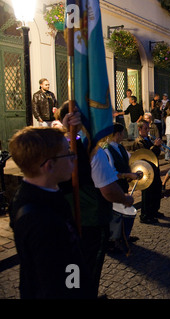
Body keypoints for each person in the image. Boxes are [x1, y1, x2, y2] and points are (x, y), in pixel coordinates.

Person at [9, 126, 96, 299]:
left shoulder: (45, 189)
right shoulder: (40, 221)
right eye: (68, 153)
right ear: (49, 166)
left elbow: (83, 173)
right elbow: (59, 280)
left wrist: (74, 132)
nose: (73, 157)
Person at [58, 102, 134, 296]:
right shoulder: (92, 150)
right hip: (90, 222)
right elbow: (108, 190)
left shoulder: (55, 147)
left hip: (65, 221)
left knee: (71, 269)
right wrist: (125, 199)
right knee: (89, 268)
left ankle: (73, 292)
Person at [104, 123, 141, 247]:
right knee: (116, 214)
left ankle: (125, 235)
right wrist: (128, 175)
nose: (124, 135)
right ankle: (113, 242)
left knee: (124, 211)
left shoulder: (120, 147)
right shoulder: (106, 149)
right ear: (118, 134)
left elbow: (130, 160)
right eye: (122, 132)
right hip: (115, 185)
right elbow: (111, 172)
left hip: (123, 184)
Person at [132, 120, 164, 224]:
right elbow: (146, 155)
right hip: (146, 171)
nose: (147, 130)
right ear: (139, 129)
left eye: (148, 128)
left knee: (157, 190)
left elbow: (155, 154)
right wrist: (155, 146)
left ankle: (154, 211)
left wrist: (158, 147)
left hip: (154, 169)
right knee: (147, 195)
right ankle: (145, 215)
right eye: (145, 128)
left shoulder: (148, 139)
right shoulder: (138, 141)